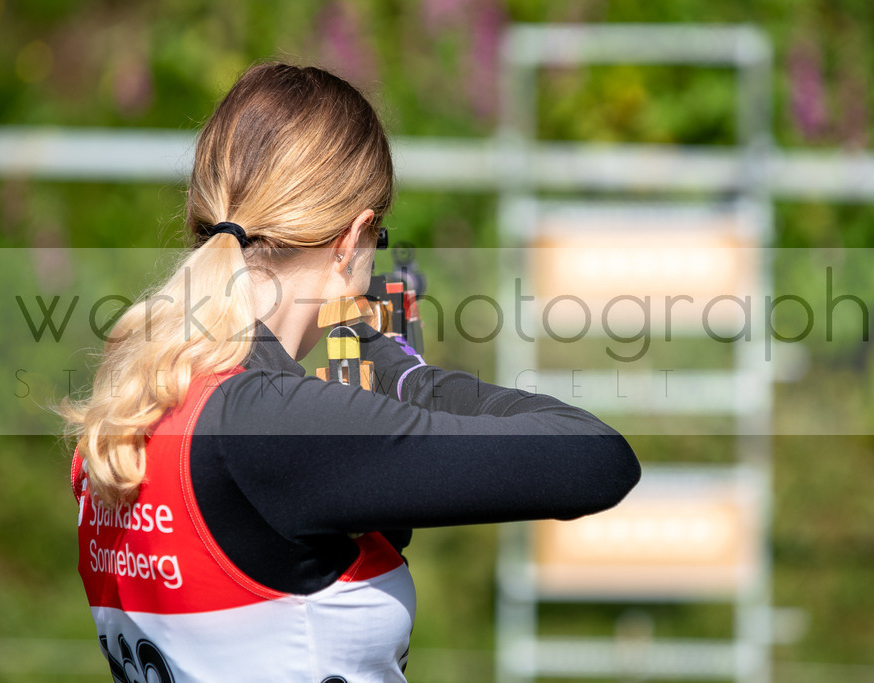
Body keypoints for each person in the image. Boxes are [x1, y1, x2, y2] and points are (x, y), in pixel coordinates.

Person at [62, 62, 639, 683]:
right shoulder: (273, 425)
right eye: (376, 236)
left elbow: (286, 582)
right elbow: (598, 459)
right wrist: (402, 374)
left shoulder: (134, 403)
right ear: (352, 238)